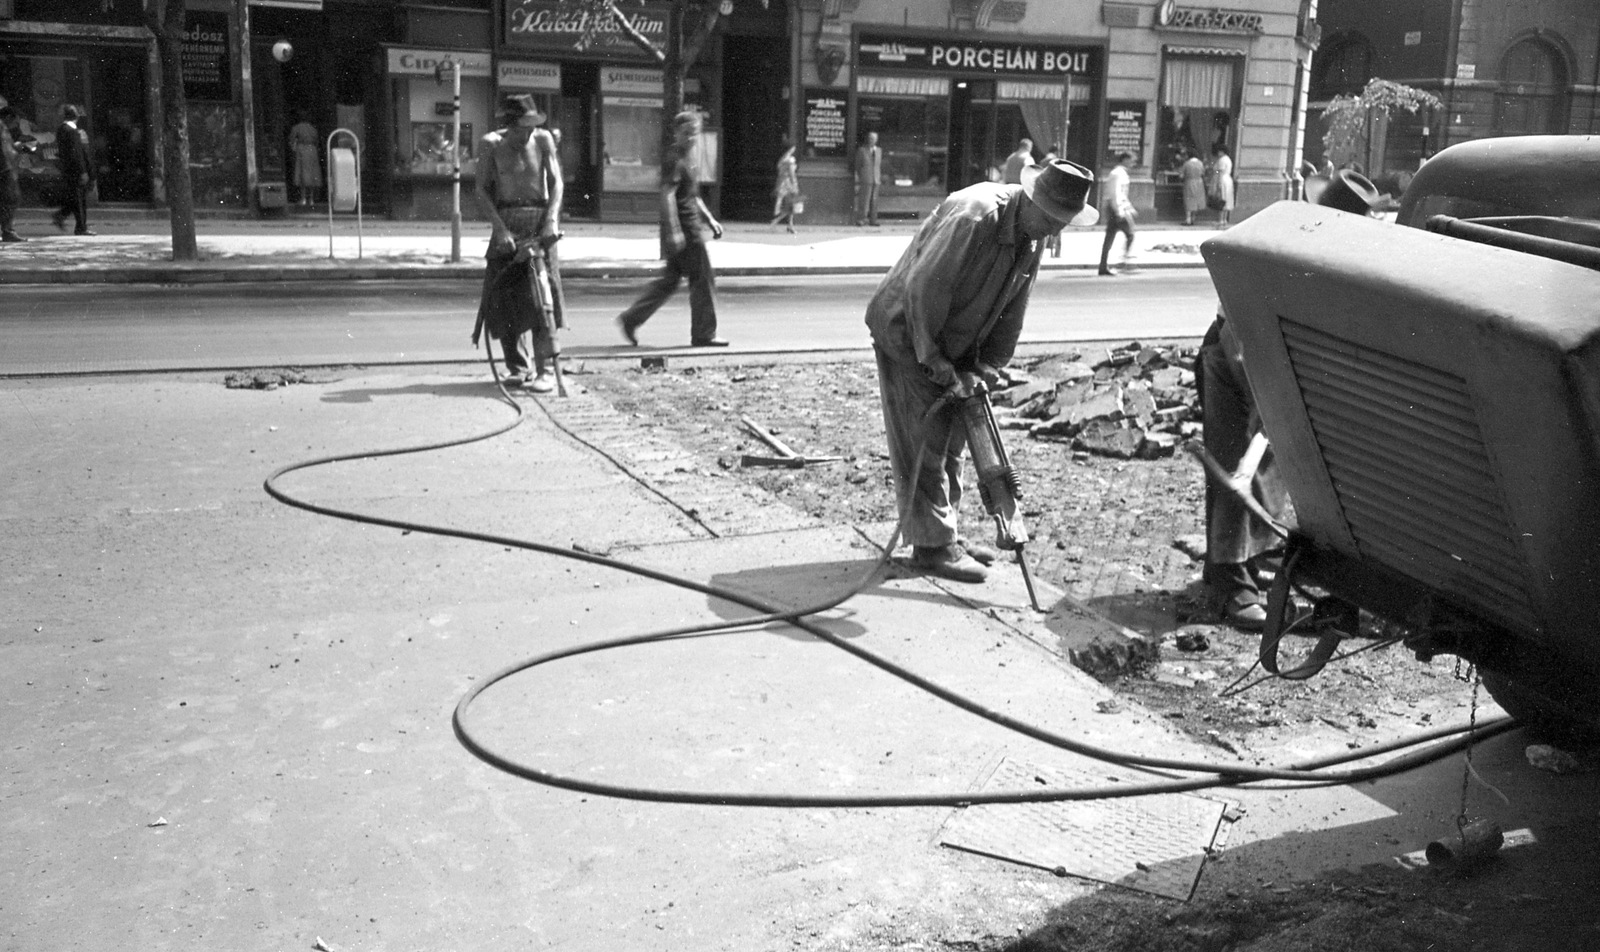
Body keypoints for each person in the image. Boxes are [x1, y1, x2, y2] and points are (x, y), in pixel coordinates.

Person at [865, 158, 1098, 583]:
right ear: (1031, 199)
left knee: (952, 441)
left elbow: (1014, 306)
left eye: (1063, 223)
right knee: (924, 444)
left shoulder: (1033, 233)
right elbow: (923, 291)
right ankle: (932, 547)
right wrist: (935, 362)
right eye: (1052, 219)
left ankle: (942, 533)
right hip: (909, 336)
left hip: (956, 345)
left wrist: (989, 366)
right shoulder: (977, 216)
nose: (1056, 230)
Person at [1195, 168, 1385, 627]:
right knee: (1236, 465)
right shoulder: (1284, 245)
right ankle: (1230, 589)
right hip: (1233, 348)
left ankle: (1242, 566)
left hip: (1275, 353)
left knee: (1268, 473)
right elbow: (1244, 333)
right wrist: (1268, 402)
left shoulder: (1332, 253)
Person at [473, 93, 566, 392]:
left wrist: (552, 218)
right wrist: (500, 229)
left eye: (530, 126)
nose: (526, 133)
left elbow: (557, 183)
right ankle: (517, 366)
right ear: (508, 125)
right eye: (520, 127)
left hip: (539, 221)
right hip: (507, 221)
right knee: (502, 296)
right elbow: (481, 190)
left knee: (542, 296)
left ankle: (545, 370)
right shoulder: (491, 145)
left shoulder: (542, 141)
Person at [617, 110, 728, 348]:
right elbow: (667, 196)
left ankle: (631, 318)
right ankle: (704, 333)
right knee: (702, 280)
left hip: (688, 227)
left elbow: (693, 196)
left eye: (694, 133)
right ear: (677, 133)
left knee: (669, 281)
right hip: (687, 230)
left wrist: (710, 220)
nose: (691, 138)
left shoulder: (689, 159)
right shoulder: (674, 158)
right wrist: (675, 230)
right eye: (686, 133)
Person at [52, 104, 93, 235]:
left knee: (76, 198)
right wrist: (83, 171)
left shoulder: (63, 129)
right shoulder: (71, 131)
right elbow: (76, 154)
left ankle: (61, 215)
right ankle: (81, 227)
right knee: (79, 199)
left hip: (69, 169)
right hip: (75, 170)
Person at [1096, 151, 1136, 276]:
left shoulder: (1121, 173)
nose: (1132, 163)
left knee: (1110, 237)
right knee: (1129, 235)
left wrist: (1129, 207)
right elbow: (1115, 194)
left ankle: (1104, 265)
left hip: (1119, 208)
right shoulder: (1117, 174)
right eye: (1131, 160)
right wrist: (1119, 211)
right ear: (1124, 160)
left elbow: (1122, 194)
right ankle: (1123, 262)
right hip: (1116, 209)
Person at [1, 97, 30, 243]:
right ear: (7, 117)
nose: (16, 125)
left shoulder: (4, 127)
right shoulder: (1, 127)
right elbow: (4, 151)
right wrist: (15, 150)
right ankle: (8, 231)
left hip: (6, 168)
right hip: (4, 169)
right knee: (10, 199)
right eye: (15, 121)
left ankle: (7, 230)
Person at [289, 115, 322, 206]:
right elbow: (317, 141)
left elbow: (291, 140)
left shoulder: (296, 127)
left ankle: (303, 198)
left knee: (302, 174)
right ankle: (311, 199)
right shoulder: (313, 129)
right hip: (312, 150)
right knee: (312, 174)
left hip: (302, 149)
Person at [853, 131, 881, 226]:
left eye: (873, 138)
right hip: (866, 178)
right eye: (870, 138)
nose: (872, 140)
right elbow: (857, 165)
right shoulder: (862, 150)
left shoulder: (879, 151)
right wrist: (861, 176)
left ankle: (873, 220)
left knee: (874, 201)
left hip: (876, 179)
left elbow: (878, 165)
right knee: (864, 200)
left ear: (876, 140)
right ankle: (861, 219)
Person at [771, 140, 799, 233]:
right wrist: (794, 184)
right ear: (791, 149)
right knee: (791, 206)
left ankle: (790, 225)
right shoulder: (790, 160)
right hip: (788, 184)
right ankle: (776, 221)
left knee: (789, 205)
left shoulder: (781, 159)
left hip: (781, 183)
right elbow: (791, 174)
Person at [1180, 149, 1207, 226]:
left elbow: (1181, 175)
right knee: (1197, 200)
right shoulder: (1200, 163)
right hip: (1199, 183)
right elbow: (1203, 173)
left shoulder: (1187, 164)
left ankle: (1188, 219)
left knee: (1188, 200)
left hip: (1189, 182)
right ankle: (1193, 218)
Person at [1211, 144, 1235, 226]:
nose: (1218, 153)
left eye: (1219, 152)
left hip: (1222, 180)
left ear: (1221, 152)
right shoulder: (1228, 159)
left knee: (1221, 199)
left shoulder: (1222, 160)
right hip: (1227, 179)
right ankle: (1224, 219)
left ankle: (1220, 220)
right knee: (1226, 199)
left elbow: (1219, 172)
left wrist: (1218, 183)